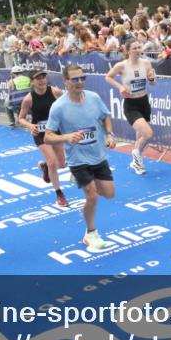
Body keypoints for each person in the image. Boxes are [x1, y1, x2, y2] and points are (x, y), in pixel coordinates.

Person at [44, 64, 118, 252]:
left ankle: (81, 182)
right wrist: (67, 137)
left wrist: (109, 134)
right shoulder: (58, 107)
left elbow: (105, 116)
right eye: (75, 79)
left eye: (82, 78)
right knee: (92, 196)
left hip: (98, 155)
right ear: (65, 81)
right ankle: (91, 233)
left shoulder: (93, 97)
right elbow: (48, 136)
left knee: (109, 194)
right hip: (78, 159)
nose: (79, 82)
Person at [17, 69, 68, 205]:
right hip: (40, 133)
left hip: (55, 131)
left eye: (43, 77)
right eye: (38, 78)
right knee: (53, 162)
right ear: (32, 82)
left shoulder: (55, 92)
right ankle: (59, 194)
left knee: (61, 164)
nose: (42, 80)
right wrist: (29, 126)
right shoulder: (29, 98)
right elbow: (20, 118)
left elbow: (67, 105)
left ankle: (45, 166)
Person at [105, 41, 156, 176]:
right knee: (148, 134)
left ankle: (136, 162)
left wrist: (151, 79)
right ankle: (136, 153)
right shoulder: (121, 65)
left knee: (140, 136)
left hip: (144, 102)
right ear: (128, 51)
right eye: (135, 48)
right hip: (131, 104)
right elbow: (108, 77)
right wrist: (120, 87)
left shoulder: (146, 63)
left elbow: (153, 83)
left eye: (139, 47)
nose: (138, 50)